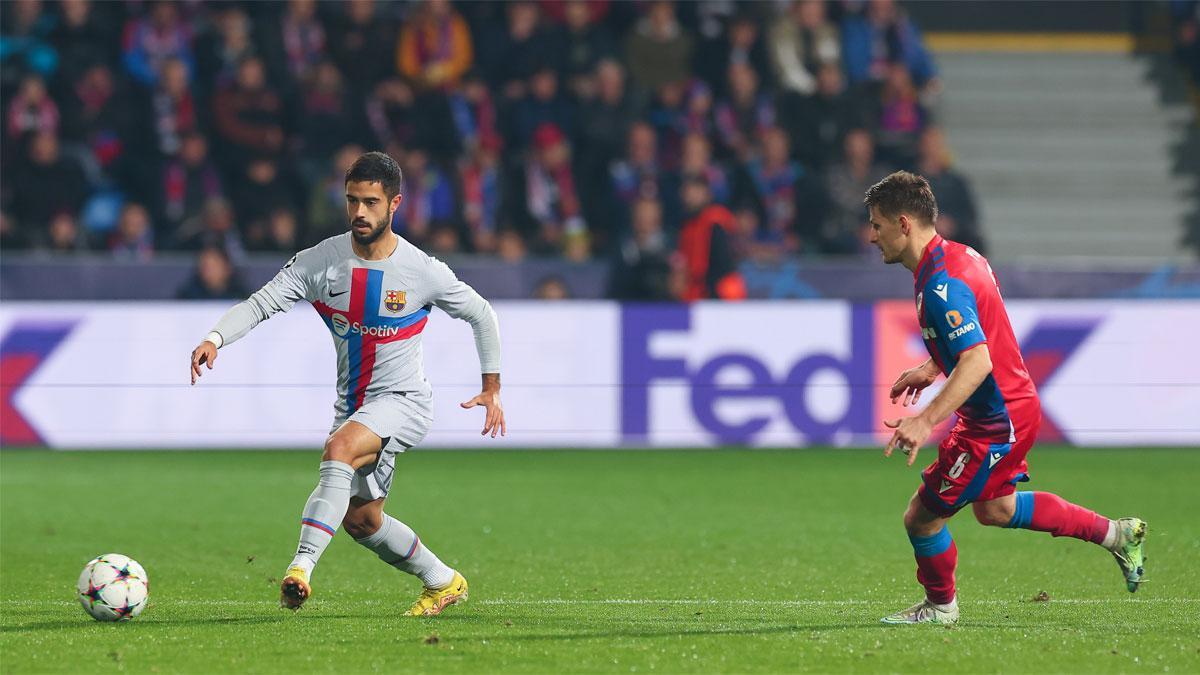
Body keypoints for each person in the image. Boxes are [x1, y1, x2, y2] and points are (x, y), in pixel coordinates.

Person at [188, 152, 504, 615]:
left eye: (371, 202)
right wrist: (216, 337)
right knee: (362, 520)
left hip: (404, 402)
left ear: (394, 204)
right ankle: (443, 581)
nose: (359, 212)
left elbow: (481, 313)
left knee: (338, 450)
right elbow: (261, 303)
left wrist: (491, 386)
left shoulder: (422, 270)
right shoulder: (322, 261)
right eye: (352, 201)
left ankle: (300, 569)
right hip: (354, 406)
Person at [864, 171, 1146, 625]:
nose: (871, 236)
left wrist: (925, 419)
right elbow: (979, 329)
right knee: (996, 509)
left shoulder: (942, 284)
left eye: (876, 225)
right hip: (1009, 407)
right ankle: (1118, 535)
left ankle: (940, 607)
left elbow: (977, 361)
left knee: (921, 518)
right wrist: (934, 365)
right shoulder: (957, 257)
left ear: (903, 224)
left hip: (997, 418)